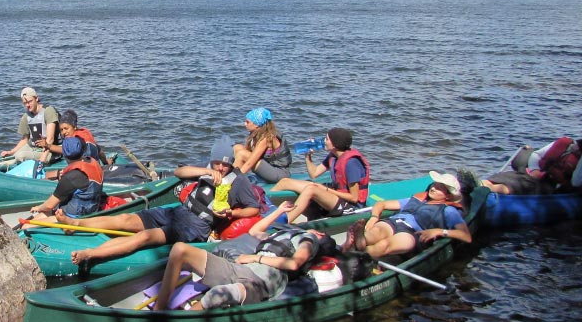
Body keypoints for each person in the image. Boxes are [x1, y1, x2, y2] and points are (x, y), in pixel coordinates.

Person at [37, 137, 266, 265]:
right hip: (178, 212)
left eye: (225, 164)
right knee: (126, 219)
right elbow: (180, 172)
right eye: (218, 163)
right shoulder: (207, 169)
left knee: (145, 237)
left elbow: (253, 208)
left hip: (195, 226)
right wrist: (204, 172)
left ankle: (92, 253)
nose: (221, 168)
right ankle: (76, 223)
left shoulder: (239, 181)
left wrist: (232, 215)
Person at [154, 200, 332, 310]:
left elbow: (294, 264)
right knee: (179, 249)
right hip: (240, 268)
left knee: (217, 294)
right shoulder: (281, 235)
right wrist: (279, 211)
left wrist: (256, 258)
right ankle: (157, 313)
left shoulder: (308, 239)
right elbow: (255, 230)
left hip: (261, 282)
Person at [343, 171, 471, 258]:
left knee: (384, 246)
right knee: (375, 232)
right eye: (434, 185)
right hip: (394, 222)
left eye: (439, 188)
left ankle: (358, 254)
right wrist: (374, 217)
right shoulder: (418, 198)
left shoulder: (449, 210)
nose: (433, 188)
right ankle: (359, 242)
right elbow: (381, 204)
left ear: (448, 195)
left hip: (412, 233)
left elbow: (465, 236)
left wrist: (439, 231)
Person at [272, 128, 370, 218]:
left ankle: (285, 220)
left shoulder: (351, 163)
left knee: (311, 189)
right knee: (285, 182)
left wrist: (326, 190)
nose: (324, 141)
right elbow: (314, 174)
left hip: (350, 206)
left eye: (327, 139)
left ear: (335, 144)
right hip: (336, 194)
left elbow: (354, 198)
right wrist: (308, 156)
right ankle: (266, 212)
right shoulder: (333, 156)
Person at [28, 136, 105, 218]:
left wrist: (38, 208)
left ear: (64, 154)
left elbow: (49, 206)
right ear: (83, 151)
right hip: (92, 211)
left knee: (27, 226)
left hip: (72, 217)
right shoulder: (94, 163)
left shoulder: (71, 177)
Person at [0, 87, 60, 162]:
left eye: (30, 101)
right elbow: (24, 140)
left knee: (21, 156)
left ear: (36, 99)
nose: (28, 105)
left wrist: (42, 159)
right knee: (10, 159)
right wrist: (11, 152)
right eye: (25, 103)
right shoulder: (26, 117)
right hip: (34, 148)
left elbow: (50, 139)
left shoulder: (48, 111)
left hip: (50, 151)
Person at [233, 107, 292, 182]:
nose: (244, 124)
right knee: (237, 147)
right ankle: (230, 175)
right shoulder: (257, 134)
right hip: (269, 168)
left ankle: (233, 181)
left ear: (257, 125)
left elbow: (250, 163)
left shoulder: (266, 138)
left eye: (247, 122)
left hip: (280, 173)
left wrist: (234, 180)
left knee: (242, 154)